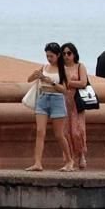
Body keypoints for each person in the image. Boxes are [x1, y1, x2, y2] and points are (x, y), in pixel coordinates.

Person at [25, 42, 75, 172]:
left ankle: (69, 160)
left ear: (58, 55)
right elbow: (29, 80)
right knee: (40, 131)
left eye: (51, 56)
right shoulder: (44, 67)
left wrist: (51, 81)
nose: (49, 58)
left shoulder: (63, 70)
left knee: (59, 134)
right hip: (43, 99)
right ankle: (37, 163)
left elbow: (65, 89)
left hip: (57, 100)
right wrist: (36, 75)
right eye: (47, 56)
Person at [61, 42, 90, 169]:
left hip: (77, 103)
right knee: (66, 132)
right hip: (64, 102)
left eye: (69, 53)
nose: (67, 56)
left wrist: (69, 83)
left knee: (77, 131)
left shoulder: (80, 66)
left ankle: (81, 155)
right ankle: (70, 158)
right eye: (64, 54)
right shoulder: (60, 68)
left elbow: (83, 83)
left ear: (74, 54)